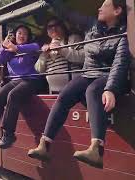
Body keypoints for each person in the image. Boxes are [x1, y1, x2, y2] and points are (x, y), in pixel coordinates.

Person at [28, 0, 130, 169]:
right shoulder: (91, 24)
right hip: (88, 73)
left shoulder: (124, 33)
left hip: (108, 74)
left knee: (93, 90)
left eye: (104, 5)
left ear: (117, 10)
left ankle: (96, 150)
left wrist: (111, 89)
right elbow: (66, 13)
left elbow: (120, 62)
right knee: (64, 95)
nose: (99, 8)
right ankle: (44, 145)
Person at [0, 25, 47, 150]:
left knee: (13, 95)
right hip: (15, 80)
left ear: (28, 37)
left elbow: (36, 47)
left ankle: (8, 135)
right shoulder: (9, 51)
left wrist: (16, 48)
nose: (21, 36)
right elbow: (0, 60)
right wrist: (3, 46)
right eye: (19, 33)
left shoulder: (31, 46)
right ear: (15, 35)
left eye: (25, 34)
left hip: (31, 80)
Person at [35, 17, 84, 93]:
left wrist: (61, 49)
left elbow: (83, 58)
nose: (53, 28)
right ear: (47, 32)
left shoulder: (73, 38)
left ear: (63, 27)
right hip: (54, 92)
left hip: (75, 90)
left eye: (57, 25)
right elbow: (38, 70)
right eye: (50, 27)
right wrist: (44, 55)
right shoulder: (46, 47)